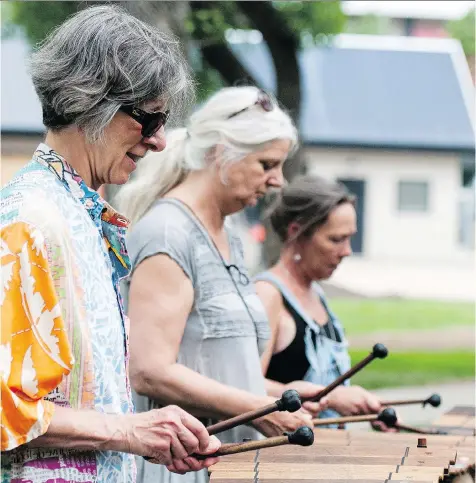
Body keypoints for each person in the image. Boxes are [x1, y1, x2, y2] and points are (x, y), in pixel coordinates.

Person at [0, 6, 220, 483]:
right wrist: (126, 431)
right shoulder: (32, 223)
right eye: (149, 118)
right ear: (90, 101)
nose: (160, 141)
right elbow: (3, 406)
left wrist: (149, 436)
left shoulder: (75, 210)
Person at [115, 86, 327, 483]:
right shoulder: (168, 232)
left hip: (232, 465)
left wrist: (278, 394)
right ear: (222, 152)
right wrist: (261, 407)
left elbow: (214, 365)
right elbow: (150, 369)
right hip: (182, 468)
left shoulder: (231, 235)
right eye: (267, 164)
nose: (278, 181)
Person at [254, 175, 394, 430]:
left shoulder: (316, 293)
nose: (347, 251)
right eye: (336, 239)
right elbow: (245, 386)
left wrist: (367, 409)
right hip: (282, 460)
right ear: (296, 232)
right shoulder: (267, 295)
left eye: (349, 238)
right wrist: (331, 397)